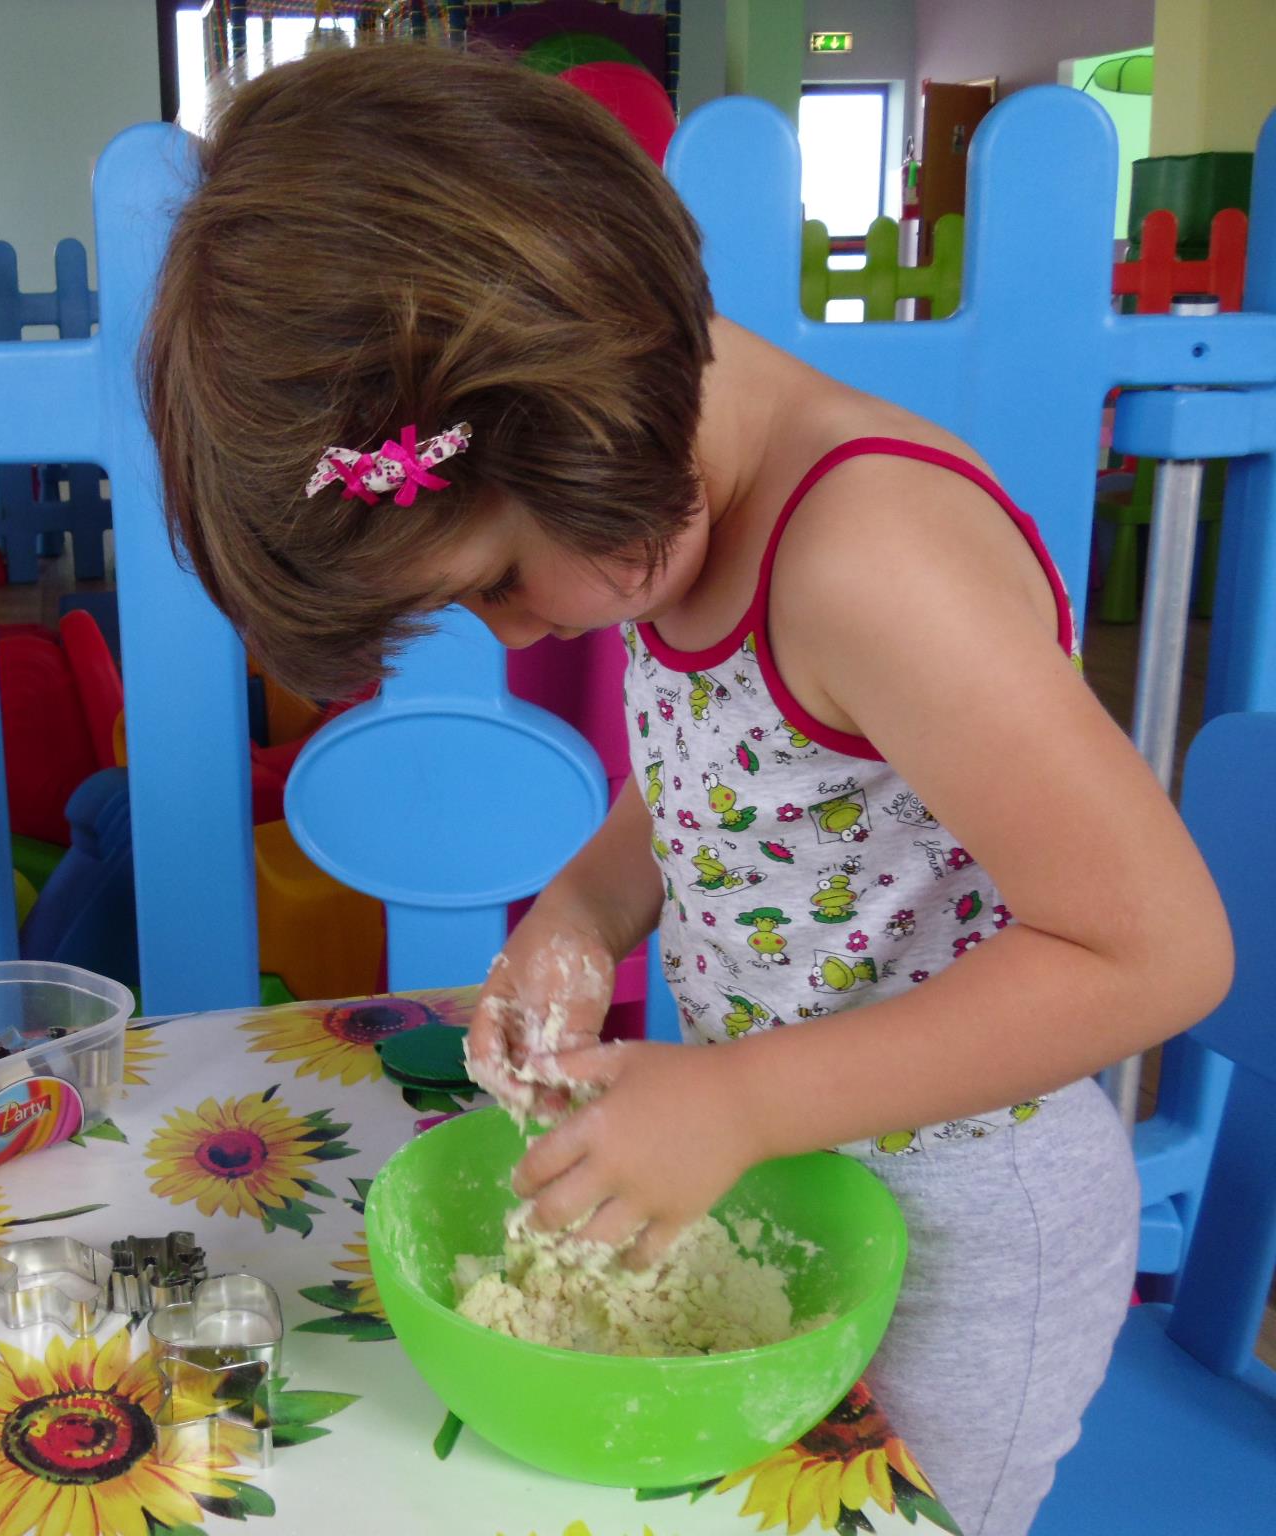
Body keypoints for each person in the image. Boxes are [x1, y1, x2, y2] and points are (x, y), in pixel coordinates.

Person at [144, 43, 1231, 1536]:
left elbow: (1155, 946)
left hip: (971, 1230)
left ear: (576, 419)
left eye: (499, 582)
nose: (517, 637)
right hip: (793, 1187)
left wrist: (741, 1098)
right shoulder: (679, 517)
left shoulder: (869, 561)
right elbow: (743, 774)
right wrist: (587, 905)